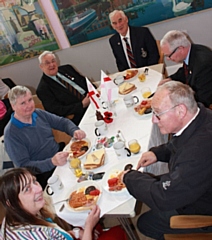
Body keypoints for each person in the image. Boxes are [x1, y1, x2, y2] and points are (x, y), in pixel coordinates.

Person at [122, 81, 212, 239]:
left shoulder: (197, 153)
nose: (154, 120)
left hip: (203, 206)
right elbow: (180, 142)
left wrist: (128, 177)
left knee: (144, 223)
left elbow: (164, 197)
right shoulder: (200, 115)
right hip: (198, 184)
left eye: (157, 114)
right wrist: (158, 153)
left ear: (180, 111)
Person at [0, 168, 128, 240]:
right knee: (117, 233)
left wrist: (76, 233)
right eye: (27, 189)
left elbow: (56, 233)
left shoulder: (11, 219)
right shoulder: (38, 235)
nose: (39, 189)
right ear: (11, 203)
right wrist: (89, 227)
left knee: (93, 227)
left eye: (34, 181)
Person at [4, 86, 86, 189]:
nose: (29, 105)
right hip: (44, 173)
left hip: (59, 155)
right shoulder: (11, 134)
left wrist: (74, 130)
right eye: (23, 103)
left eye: (30, 100)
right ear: (13, 106)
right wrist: (51, 162)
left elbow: (62, 122)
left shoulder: (38, 113)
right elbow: (24, 166)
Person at [159, 30, 212, 108]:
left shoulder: (203, 64)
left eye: (169, 55)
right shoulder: (192, 52)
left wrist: (176, 104)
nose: (168, 59)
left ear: (180, 49)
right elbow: (185, 70)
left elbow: (203, 100)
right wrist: (170, 79)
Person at [36, 51, 90, 125]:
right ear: (41, 67)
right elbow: (57, 111)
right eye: (47, 63)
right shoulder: (43, 89)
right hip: (80, 113)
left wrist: (95, 91)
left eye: (53, 61)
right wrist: (82, 105)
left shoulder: (67, 68)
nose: (51, 65)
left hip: (92, 99)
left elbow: (85, 82)